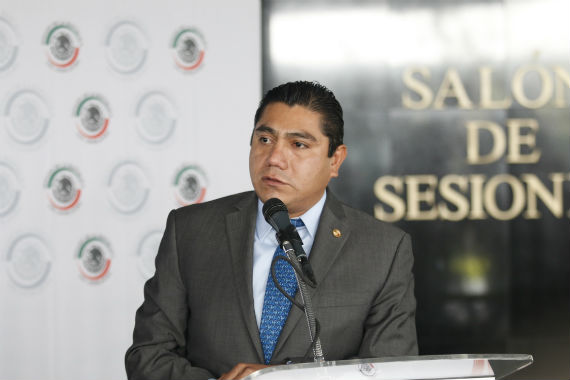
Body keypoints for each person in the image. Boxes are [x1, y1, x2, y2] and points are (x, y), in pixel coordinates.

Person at [125, 81, 417, 380]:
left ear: (335, 159)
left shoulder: (383, 250)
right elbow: (148, 356)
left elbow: (390, 373)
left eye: (298, 144)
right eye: (264, 139)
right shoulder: (191, 231)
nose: (275, 158)